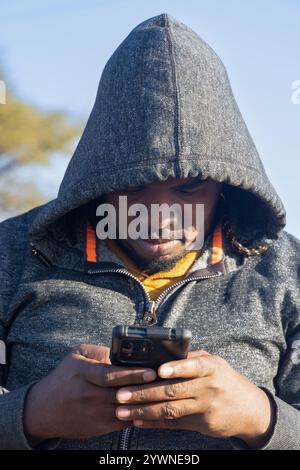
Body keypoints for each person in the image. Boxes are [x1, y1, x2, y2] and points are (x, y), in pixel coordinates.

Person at [0, 13, 299, 451]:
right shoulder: (10, 256)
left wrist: (261, 417)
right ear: (97, 179)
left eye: (189, 186)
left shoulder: (289, 276)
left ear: (225, 181)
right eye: (133, 186)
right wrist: (31, 413)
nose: (160, 215)